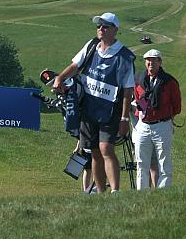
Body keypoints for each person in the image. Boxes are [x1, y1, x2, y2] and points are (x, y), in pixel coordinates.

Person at [53, 13, 135, 193]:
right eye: (99, 26)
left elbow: (128, 91)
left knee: (106, 148)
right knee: (94, 151)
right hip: (89, 109)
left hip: (109, 110)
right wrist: (60, 77)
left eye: (105, 26)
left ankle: (115, 191)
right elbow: (75, 65)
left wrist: (124, 118)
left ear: (115, 29)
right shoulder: (91, 46)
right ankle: (100, 191)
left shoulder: (124, 56)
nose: (100, 29)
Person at [133, 49, 181, 189]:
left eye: (154, 60)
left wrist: (166, 117)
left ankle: (163, 190)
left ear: (160, 62)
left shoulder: (169, 82)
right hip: (143, 125)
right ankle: (141, 191)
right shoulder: (140, 79)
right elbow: (137, 99)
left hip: (162, 125)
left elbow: (176, 106)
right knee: (141, 162)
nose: (150, 63)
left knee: (164, 161)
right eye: (148, 60)